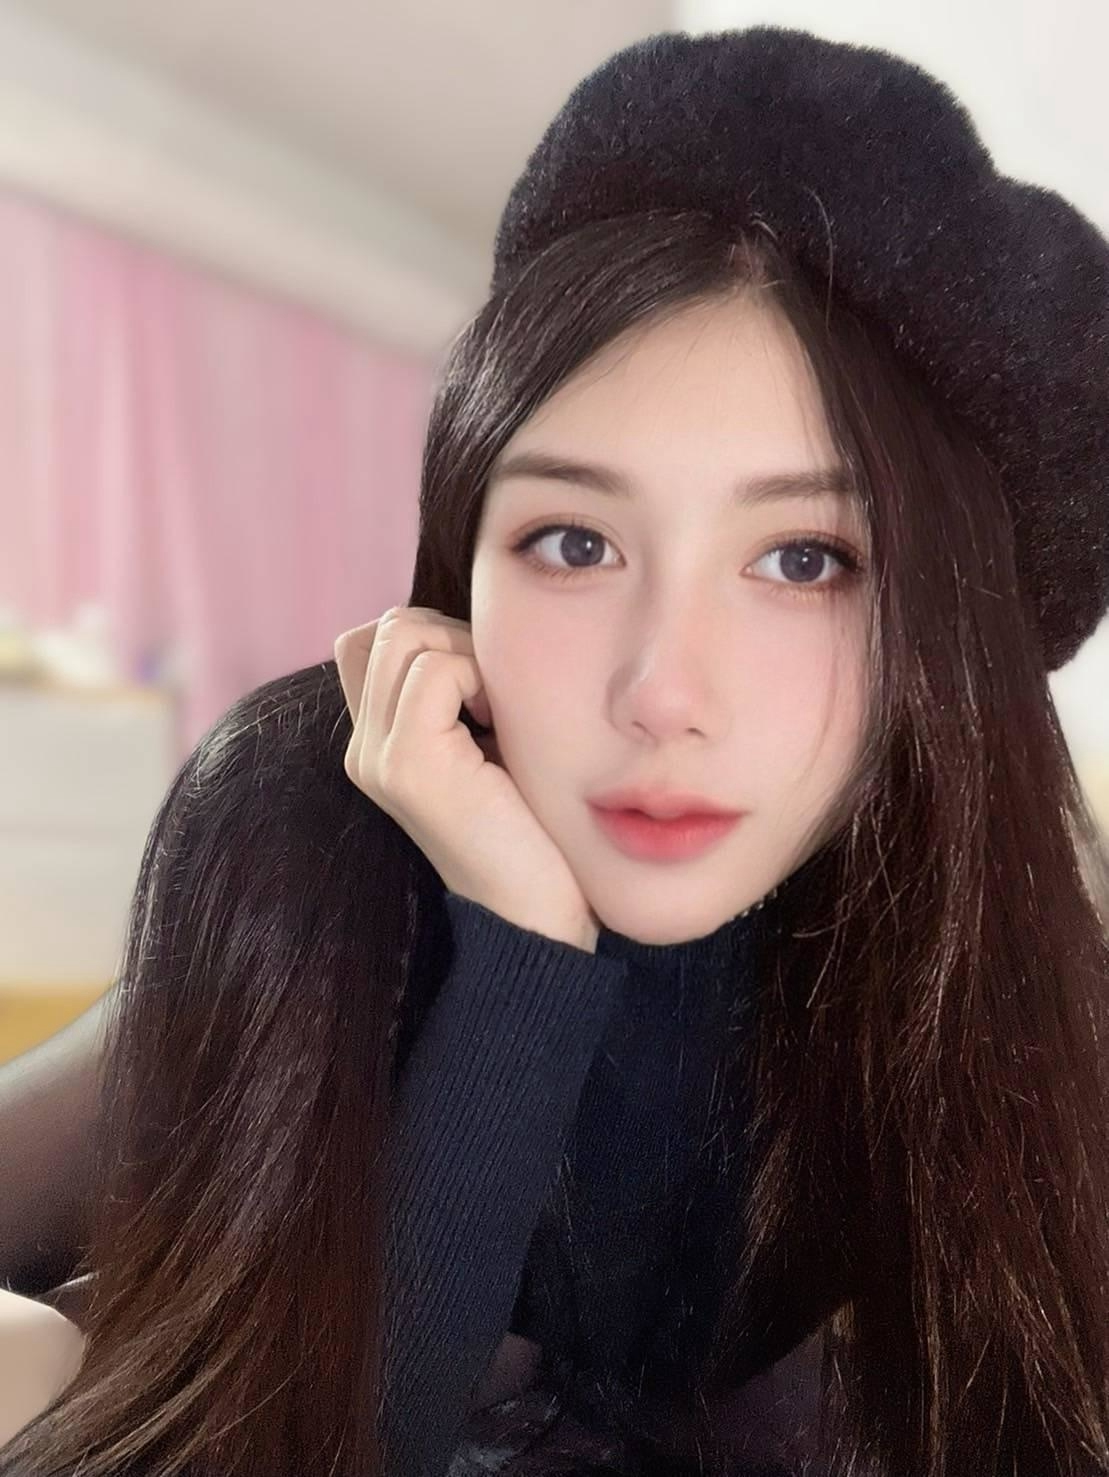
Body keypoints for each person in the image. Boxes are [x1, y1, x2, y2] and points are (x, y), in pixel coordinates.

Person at [1, 22, 1108, 1477]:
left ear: (942, 638)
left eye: (804, 560)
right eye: (574, 543)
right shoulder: (308, 839)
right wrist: (519, 946)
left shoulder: (976, 985)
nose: (662, 690)